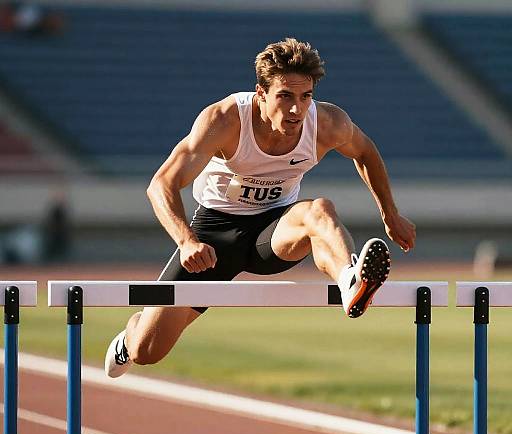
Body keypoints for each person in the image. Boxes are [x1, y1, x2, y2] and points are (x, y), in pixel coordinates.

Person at [105, 37, 416, 378]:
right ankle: (128, 339)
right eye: (285, 96)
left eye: (305, 97)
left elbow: (366, 152)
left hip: (273, 231)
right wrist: (186, 241)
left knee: (319, 210)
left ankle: (350, 280)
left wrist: (390, 214)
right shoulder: (224, 120)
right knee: (147, 351)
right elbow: (161, 184)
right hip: (213, 237)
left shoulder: (327, 123)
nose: (297, 110)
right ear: (261, 93)